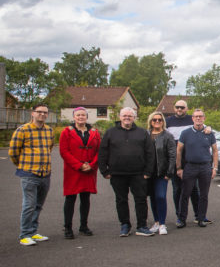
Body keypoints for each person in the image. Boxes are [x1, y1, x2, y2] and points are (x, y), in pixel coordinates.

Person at [99, 107, 155, 237]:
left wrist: (148, 171)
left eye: (130, 116)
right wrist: (104, 170)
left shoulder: (142, 133)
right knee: (121, 200)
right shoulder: (110, 133)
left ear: (134, 118)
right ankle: (125, 224)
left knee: (141, 199)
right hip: (117, 173)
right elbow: (103, 152)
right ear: (120, 117)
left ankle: (142, 225)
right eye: (124, 115)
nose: (127, 118)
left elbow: (150, 153)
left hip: (139, 173)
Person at [9, 104, 54, 246]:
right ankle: (25, 234)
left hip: (45, 173)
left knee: (38, 205)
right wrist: (24, 165)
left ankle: (33, 231)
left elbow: (50, 148)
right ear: (32, 113)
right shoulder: (22, 130)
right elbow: (13, 152)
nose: (42, 115)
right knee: (29, 204)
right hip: (29, 173)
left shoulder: (49, 131)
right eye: (39, 112)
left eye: (45, 113)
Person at [59, 107, 101, 239]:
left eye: (83, 115)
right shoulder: (66, 132)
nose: (81, 117)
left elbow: (99, 151)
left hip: (89, 170)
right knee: (70, 199)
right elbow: (64, 151)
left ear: (87, 117)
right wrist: (79, 165)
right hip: (73, 170)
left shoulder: (94, 132)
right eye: (78, 115)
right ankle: (68, 228)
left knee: (85, 199)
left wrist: (92, 164)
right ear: (74, 117)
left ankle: (84, 226)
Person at [176, 109, 218, 228]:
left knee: (204, 195)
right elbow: (179, 150)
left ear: (204, 118)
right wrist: (179, 168)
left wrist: (215, 168)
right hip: (190, 166)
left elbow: (215, 151)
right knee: (185, 193)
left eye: (200, 116)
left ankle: (201, 218)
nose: (198, 118)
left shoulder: (209, 133)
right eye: (196, 117)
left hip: (205, 167)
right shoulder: (185, 133)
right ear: (192, 119)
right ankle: (181, 219)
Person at [166, 100, 200, 226]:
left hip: (191, 161)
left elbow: (203, 128)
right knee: (177, 190)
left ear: (187, 108)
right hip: (175, 161)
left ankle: (199, 215)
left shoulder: (191, 120)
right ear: (174, 108)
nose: (179, 109)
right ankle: (180, 216)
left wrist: (209, 129)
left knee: (194, 190)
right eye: (177, 107)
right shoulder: (168, 122)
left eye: (182, 107)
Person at [146, 111, 176, 235]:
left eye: (160, 120)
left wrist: (169, 172)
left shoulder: (167, 135)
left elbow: (172, 155)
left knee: (161, 196)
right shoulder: (145, 135)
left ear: (163, 121)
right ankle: (157, 222)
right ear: (150, 121)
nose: (157, 122)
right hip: (148, 173)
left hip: (162, 173)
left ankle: (163, 224)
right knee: (152, 198)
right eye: (154, 120)